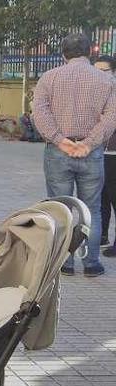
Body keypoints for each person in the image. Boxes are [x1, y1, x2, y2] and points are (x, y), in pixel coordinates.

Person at [33, 34, 116, 277]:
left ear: (63, 54)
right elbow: (111, 117)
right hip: (91, 154)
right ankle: (91, 263)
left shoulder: (49, 78)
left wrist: (60, 140)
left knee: (61, 207)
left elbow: (40, 113)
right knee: (93, 209)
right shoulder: (106, 80)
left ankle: (64, 263)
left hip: (58, 152)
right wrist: (89, 143)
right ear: (89, 52)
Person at [95, 54, 116, 255]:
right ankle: (101, 235)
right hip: (99, 151)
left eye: (105, 71)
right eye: (96, 71)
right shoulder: (96, 92)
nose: (100, 75)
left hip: (114, 152)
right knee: (101, 196)